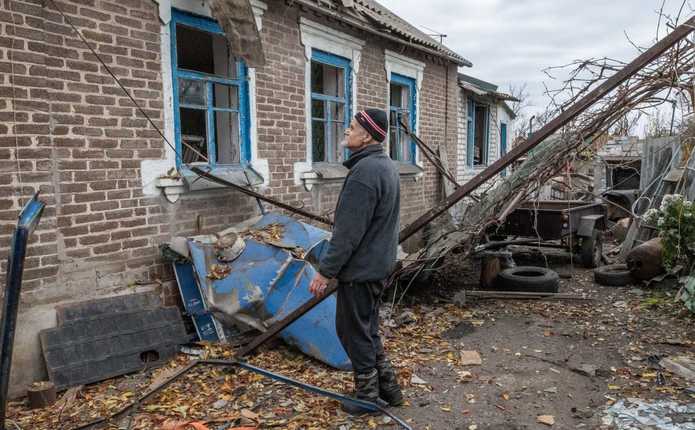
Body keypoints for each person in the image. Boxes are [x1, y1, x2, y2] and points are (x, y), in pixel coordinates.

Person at [308, 108, 403, 414]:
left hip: (361, 270)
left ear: (368, 135)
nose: (346, 132)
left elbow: (347, 234)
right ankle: (389, 389)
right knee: (368, 329)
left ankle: (367, 397)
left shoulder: (364, 173)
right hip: (378, 265)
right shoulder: (385, 165)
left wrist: (325, 272)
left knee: (352, 331)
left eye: (351, 127)